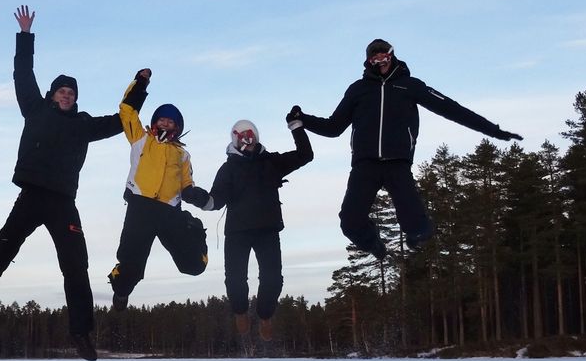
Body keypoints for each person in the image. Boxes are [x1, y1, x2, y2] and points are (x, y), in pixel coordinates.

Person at [0, 6, 123, 361]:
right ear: (52, 94)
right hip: (31, 196)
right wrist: (25, 36)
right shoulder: (35, 109)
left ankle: (82, 334)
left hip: (63, 203)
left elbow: (121, 121)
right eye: (62, 91)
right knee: (1, 252)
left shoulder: (83, 125)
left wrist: (141, 89)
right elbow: (23, 74)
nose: (67, 95)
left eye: (72, 92)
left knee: (76, 265)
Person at [294, 38, 522, 260]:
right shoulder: (358, 90)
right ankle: (374, 244)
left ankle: (417, 239)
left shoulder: (410, 86)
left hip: (398, 164)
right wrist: (303, 119)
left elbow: (452, 109)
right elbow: (333, 127)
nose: (380, 61)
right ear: (368, 62)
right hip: (365, 166)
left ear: (392, 57)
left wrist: (494, 131)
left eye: (384, 56)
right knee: (350, 223)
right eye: (375, 58)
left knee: (418, 226)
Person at [198, 116, 313, 343]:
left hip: (267, 230)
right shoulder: (228, 169)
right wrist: (199, 198)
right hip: (237, 232)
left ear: (256, 137)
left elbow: (305, 155)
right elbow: (215, 201)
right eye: (242, 137)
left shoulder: (270, 161)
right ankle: (240, 311)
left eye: (250, 135)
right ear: (235, 140)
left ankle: (265, 316)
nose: (247, 140)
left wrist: (297, 127)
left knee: (273, 280)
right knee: (235, 280)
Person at [106, 68, 210, 311]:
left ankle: (195, 235)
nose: (165, 122)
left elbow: (187, 185)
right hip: (140, 208)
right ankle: (121, 293)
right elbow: (127, 110)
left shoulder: (182, 155)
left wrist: (195, 195)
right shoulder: (141, 139)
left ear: (178, 126)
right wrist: (140, 83)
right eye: (161, 118)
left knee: (193, 266)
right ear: (154, 122)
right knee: (130, 269)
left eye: (170, 120)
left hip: (169, 212)